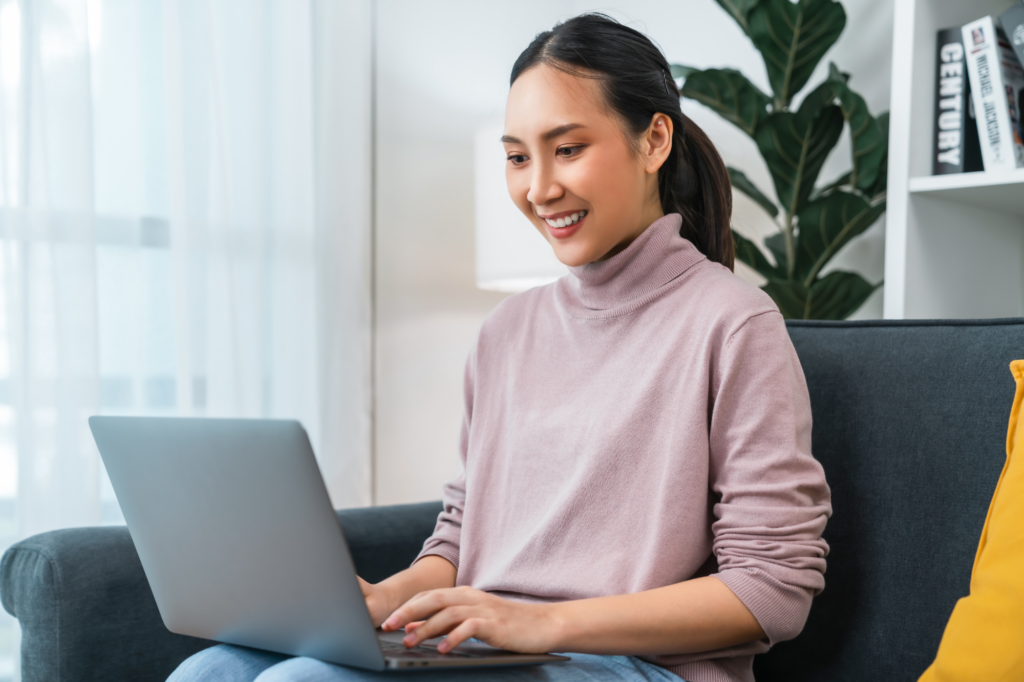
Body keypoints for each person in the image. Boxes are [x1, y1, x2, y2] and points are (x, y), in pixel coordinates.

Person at [169, 13, 831, 682]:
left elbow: (773, 587)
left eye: (568, 149)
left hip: (631, 666)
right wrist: (382, 600)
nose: (539, 188)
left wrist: (541, 622)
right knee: (209, 672)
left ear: (654, 139)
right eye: (518, 157)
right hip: (497, 652)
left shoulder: (734, 323)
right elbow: (462, 535)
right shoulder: (507, 331)